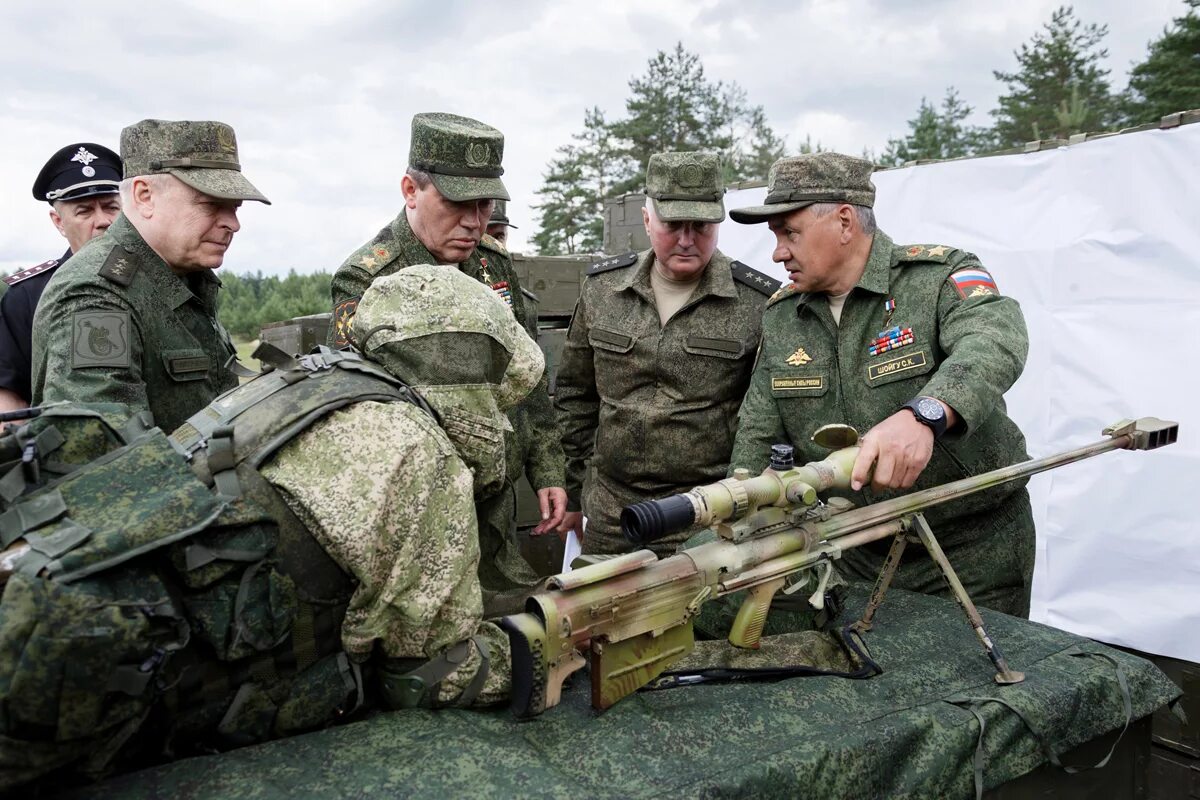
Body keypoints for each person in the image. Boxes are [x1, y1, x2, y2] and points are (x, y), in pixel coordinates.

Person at [0, 265, 541, 790]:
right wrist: (536, 649)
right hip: (123, 697)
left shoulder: (300, 384)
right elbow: (426, 675)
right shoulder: (417, 451)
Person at [727, 152, 1035, 618]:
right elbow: (758, 430)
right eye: (775, 236)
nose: (777, 252)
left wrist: (925, 414)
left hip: (971, 548)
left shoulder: (936, 279)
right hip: (854, 554)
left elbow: (994, 342)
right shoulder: (784, 314)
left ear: (845, 222)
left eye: (789, 233)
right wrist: (742, 513)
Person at [328, 112, 565, 612]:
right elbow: (360, 412)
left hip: (496, 504)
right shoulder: (367, 281)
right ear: (410, 189)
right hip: (423, 511)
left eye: (484, 205)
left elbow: (528, 380)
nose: (475, 222)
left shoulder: (491, 265)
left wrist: (548, 468)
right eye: (458, 204)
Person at [554, 151, 779, 557]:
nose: (687, 239)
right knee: (603, 618)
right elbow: (575, 396)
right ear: (647, 219)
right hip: (611, 511)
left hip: (707, 512)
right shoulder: (603, 291)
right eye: (674, 225)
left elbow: (764, 417)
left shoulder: (756, 302)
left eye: (702, 226)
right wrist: (572, 494)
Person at [30, 119, 269, 433]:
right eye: (211, 205)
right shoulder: (97, 294)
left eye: (235, 208)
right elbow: (103, 451)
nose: (233, 224)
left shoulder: (185, 276)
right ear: (144, 196)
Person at [0, 143, 123, 415]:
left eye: (111, 207)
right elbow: (10, 402)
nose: (103, 221)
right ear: (58, 222)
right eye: (84, 211)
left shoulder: (160, 280)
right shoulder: (28, 295)